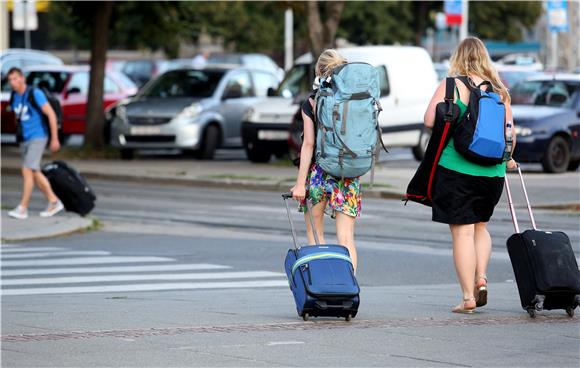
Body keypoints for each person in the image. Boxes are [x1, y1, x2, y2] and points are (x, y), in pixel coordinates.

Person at [424, 37, 517, 314]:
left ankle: (467, 297)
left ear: (459, 58)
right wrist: (507, 160)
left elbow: (430, 120)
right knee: (481, 227)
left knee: (462, 232)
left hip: (457, 169)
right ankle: (482, 278)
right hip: (493, 173)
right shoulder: (500, 92)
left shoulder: (453, 85)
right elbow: (509, 135)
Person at [290, 49, 362, 272]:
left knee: (315, 232)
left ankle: (323, 284)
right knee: (346, 238)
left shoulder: (311, 102)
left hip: (320, 173)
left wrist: (300, 184)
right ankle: (349, 288)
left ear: (318, 71)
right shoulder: (355, 99)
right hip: (348, 173)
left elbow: (308, 144)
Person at [6, 67, 63, 220]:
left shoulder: (34, 93)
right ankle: (54, 201)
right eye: (10, 80)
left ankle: (23, 208)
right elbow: (16, 117)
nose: (13, 82)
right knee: (35, 172)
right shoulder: (14, 96)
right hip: (25, 139)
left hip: (38, 136)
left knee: (26, 170)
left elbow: (51, 114)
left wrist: (54, 138)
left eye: (16, 78)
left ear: (22, 78)